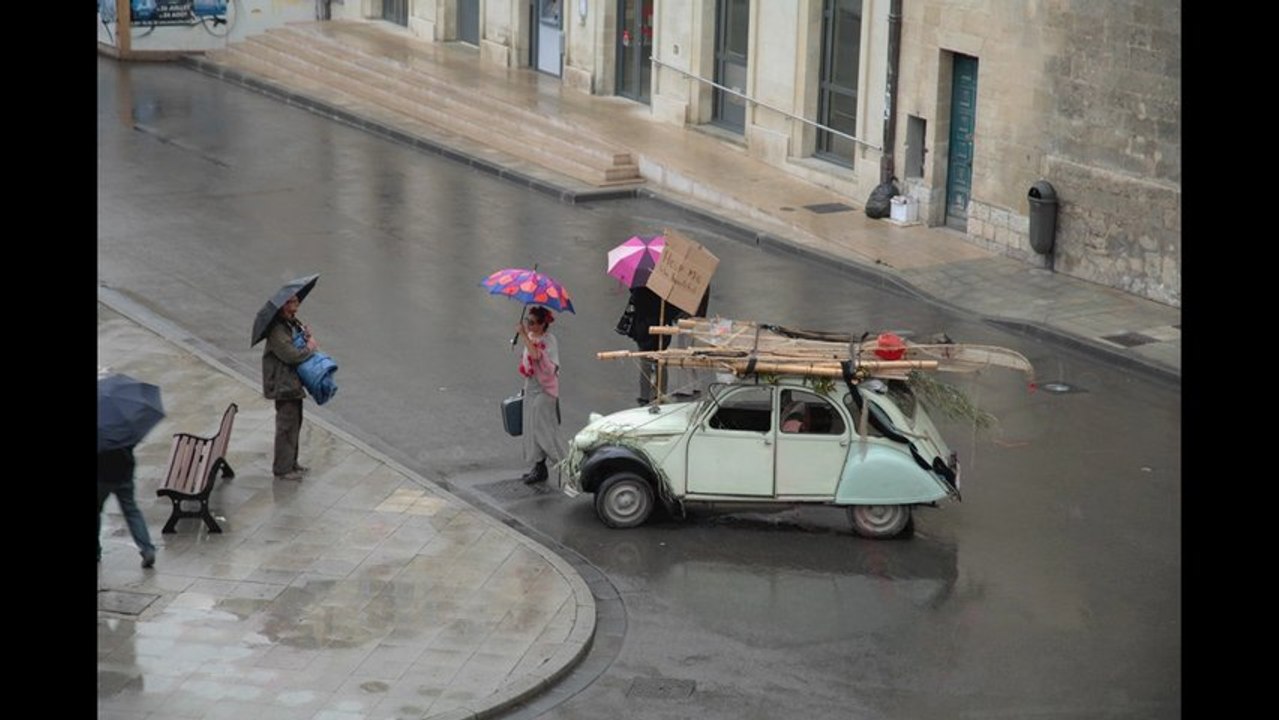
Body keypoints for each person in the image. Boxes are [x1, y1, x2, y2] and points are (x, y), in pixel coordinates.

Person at [622, 285, 710, 405]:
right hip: (661, 330)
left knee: (645, 361)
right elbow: (671, 311)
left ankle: (645, 395)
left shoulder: (639, 288)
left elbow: (635, 300)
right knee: (661, 362)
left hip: (642, 329)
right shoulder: (664, 289)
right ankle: (660, 393)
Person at [262, 294, 316, 481]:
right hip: (283, 384)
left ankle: (292, 462)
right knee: (286, 426)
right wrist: (309, 348)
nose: (296, 306)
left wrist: (304, 335)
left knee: (295, 423)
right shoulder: (277, 330)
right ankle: (283, 468)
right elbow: (290, 355)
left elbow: (296, 343)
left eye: (296, 302)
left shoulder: (290, 324)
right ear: (283, 305)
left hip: (292, 382)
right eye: (292, 302)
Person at [515, 306, 564, 484]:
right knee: (531, 428)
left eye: (533, 322)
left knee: (543, 429)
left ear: (543, 324)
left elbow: (536, 356)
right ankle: (539, 467)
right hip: (531, 386)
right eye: (528, 321)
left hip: (545, 390)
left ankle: (563, 464)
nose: (529, 325)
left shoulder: (549, 340)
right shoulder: (531, 337)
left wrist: (522, 335)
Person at [98, 445, 157, 568]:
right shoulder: (123, 429)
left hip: (102, 475)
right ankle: (147, 549)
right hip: (125, 472)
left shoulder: (102, 431)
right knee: (132, 512)